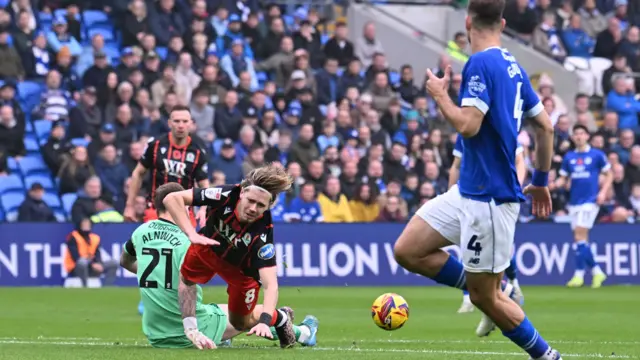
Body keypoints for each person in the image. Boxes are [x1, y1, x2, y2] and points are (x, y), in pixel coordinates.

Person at [392, 0, 562, 358]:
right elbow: (546, 126)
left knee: (489, 298)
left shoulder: (480, 63)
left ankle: (548, 356)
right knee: (408, 250)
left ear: (467, 21)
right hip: (468, 191)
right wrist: (542, 179)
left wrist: (440, 96)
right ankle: (479, 290)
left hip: (490, 199)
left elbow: (468, 125)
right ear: (501, 23)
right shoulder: (513, 66)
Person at [120, 183, 319, 349]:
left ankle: (232, 334)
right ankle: (301, 331)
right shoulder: (190, 241)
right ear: (186, 209)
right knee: (241, 318)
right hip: (193, 332)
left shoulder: (140, 233)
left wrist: (155, 275)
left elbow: (125, 262)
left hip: (155, 334)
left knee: (215, 308)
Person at [162, 164, 297, 349]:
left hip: (241, 272)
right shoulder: (224, 194)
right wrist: (191, 234)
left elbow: (271, 284)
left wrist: (265, 321)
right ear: (242, 193)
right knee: (186, 278)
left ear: (267, 207)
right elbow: (172, 198)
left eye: (260, 205)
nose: (252, 208)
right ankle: (191, 330)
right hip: (208, 246)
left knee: (240, 323)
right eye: (250, 200)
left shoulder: (263, 234)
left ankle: (279, 318)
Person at [450, 135, 526, 313]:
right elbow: (455, 166)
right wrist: (451, 193)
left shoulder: (503, 127)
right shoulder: (464, 133)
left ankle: (512, 284)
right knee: (467, 246)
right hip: (470, 197)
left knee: (501, 249)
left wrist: (516, 188)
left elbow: (520, 160)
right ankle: (468, 296)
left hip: (499, 198)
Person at [123, 104, 209, 226]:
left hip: (184, 211)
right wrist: (130, 205)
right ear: (169, 123)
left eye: (185, 121)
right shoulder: (155, 145)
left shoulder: (198, 151)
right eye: (176, 121)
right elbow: (138, 173)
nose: (180, 125)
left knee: (185, 245)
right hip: (156, 209)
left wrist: (203, 209)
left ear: (190, 124)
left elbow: (203, 184)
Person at [554, 125, 611, 288]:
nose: (579, 136)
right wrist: (551, 185)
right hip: (574, 202)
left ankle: (585, 273)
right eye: (576, 133)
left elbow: (609, 174)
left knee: (579, 234)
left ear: (587, 136)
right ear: (573, 138)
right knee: (581, 240)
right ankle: (593, 273)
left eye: (582, 133)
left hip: (590, 201)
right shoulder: (569, 157)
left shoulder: (597, 155)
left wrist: (603, 192)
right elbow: (563, 179)